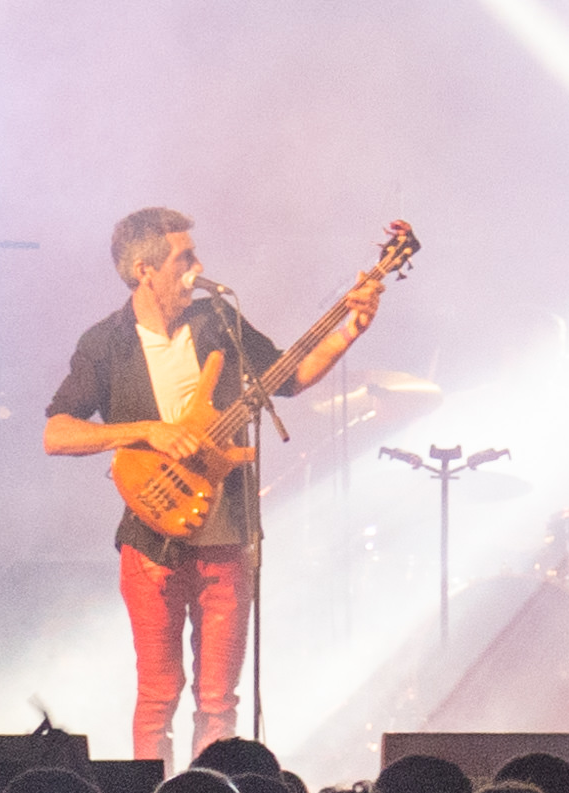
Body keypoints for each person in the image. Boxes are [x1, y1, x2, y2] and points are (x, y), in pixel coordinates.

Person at [40, 207, 384, 761]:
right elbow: (56, 433)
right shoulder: (105, 343)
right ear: (146, 270)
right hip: (150, 541)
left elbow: (289, 376)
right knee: (158, 696)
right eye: (185, 258)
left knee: (220, 700)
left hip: (226, 534)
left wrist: (351, 329)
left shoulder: (217, 320)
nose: (197, 268)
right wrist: (147, 431)